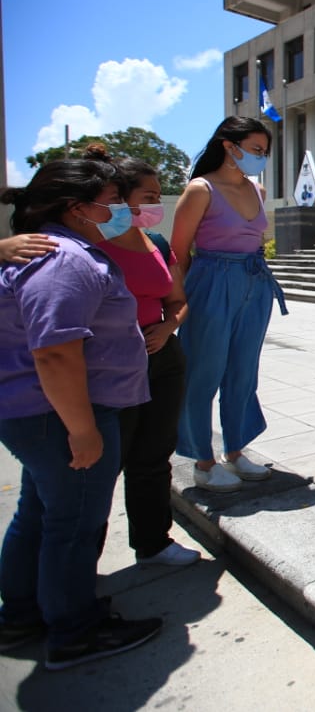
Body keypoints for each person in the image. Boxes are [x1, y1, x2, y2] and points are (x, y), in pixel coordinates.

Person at [0, 158, 163, 669]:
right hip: (61, 415)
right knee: (73, 522)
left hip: (42, 413)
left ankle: (23, 614)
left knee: (42, 511)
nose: (121, 209)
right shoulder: (64, 260)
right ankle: (74, 630)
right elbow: (55, 352)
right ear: (76, 208)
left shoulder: (54, 250)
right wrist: (82, 429)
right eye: (112, 200)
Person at [89, 148, 198, 566]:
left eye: (157, 196)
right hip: (112, 364)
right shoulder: (91, 243)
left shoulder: (155, 242)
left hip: (163, 358)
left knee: (154, 455)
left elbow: (177, 300)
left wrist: (169, 326)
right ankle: (82, 562)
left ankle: (153, 542)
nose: (156, 203)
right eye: (148, 196)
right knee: (102, 467)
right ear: (118, 197)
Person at [171, 117, 286, 492]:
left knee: (243, 371)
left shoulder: (259, 190)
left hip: (254, 282)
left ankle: (235, 450)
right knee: (204, 372)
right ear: (228, 145)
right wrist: (177, 302)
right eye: (255, 149)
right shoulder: (200, 190)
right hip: (211, 280)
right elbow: (178, 252)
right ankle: (203, 460)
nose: (261, 157)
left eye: (264, 151)